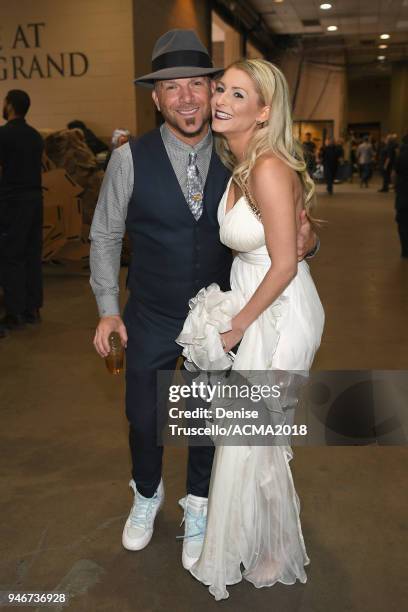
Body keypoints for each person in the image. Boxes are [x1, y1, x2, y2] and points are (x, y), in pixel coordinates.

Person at [89, 30, 318, 571]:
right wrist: (107, 307)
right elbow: (103, 235)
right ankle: (147, 494)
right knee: (144, 417)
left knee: (205, 422)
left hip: (219, 316)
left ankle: (198, 505)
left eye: (198, 84)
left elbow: (288, 228)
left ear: (213, 89)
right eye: (174, 88)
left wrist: (309, 241)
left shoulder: (239, 150)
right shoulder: (129, 159)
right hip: (148, 313)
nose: (188, 97)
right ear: (156, 98)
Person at [178, 59, 324, 600]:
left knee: (252, 436)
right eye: (221, 89)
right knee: (249, 436)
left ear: (263, 112)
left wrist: (235, 326)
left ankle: (271, 550)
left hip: (279, 311)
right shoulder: (241, 165)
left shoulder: (265, 168)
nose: (220, 100)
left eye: (238, 95)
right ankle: (264, 544)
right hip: (256, 301)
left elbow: (285, 263)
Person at [0, 90, 44, 338]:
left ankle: (14, 312)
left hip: (12, 202)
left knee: (11, 256)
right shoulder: (35, 136)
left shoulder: (4, 135)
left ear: (10, 106)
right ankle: (32, 309)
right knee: (31, 254)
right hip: (35, 200)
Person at [394, 134, 408, 258]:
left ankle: (405, 249)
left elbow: (396, 172)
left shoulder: (401, 156)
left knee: (402, 222)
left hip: (403, 193)